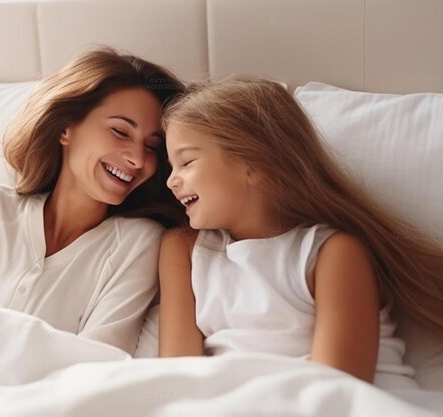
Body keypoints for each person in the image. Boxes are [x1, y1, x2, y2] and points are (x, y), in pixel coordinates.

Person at [0, 48, 186, 354]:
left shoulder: (137, 244)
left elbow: (99, 361)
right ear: (65, 129)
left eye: (152, 147)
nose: (138, 159)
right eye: (119, 131)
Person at [157, 77, 443, 385]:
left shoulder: (331, 252)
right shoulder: (184, 250)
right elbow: (175, 377)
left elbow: (337, 388)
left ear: (253, 163)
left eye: (186, 162)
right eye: (172, 166)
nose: (171, 181)